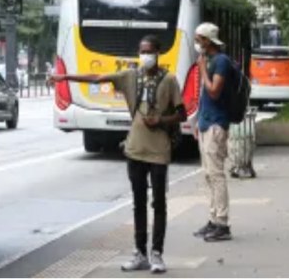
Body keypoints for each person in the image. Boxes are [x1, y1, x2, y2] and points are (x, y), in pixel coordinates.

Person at [51, 35, 186, 274]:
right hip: (134, 149)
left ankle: (157, 254)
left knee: (159, 204)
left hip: (159, 151)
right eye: (142, 51)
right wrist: (65, 77)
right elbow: (96, 78)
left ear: (158, 53)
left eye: (149, 51)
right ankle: (140, 253)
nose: (145, 56)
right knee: (138, 203)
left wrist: (160, 120)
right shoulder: (129, 76)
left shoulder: (170, 81)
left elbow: (182, 114)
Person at [193, 22, 233, 242]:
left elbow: (214, 92)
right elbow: (204, 97)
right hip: (206, 123)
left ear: (208, 41)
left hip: (217, 125)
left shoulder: (221, 62)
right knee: (208, 174)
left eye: (199, 39)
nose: (197, 43)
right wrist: (198, 122)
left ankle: (222, 223)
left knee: (216, 175)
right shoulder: (209, 61)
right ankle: (213, 218)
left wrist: (202, 70)